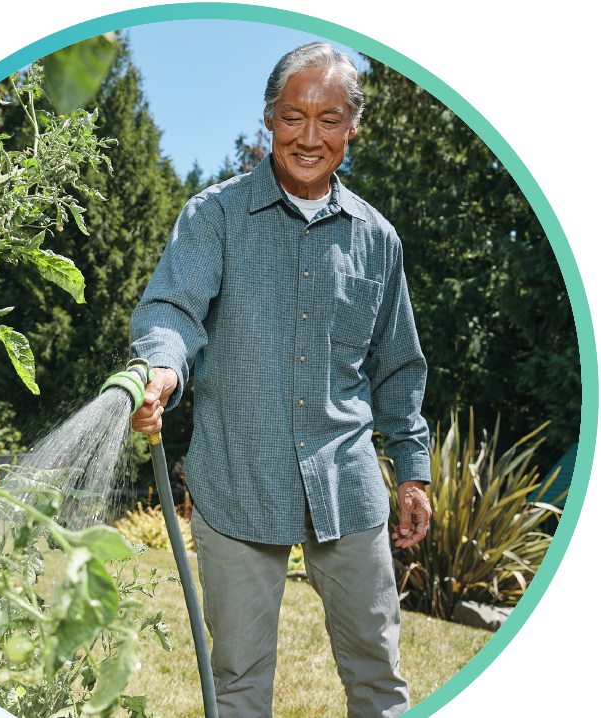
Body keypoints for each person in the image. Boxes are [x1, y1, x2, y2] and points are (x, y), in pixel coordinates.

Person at [129, 42, 432, 718]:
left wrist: (412, 471)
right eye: (294, 117)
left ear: (352, 129)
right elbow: (172, 309)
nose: (309, 137)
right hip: (236, 478)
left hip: (345, 483)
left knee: (379, 678)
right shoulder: (214, 217)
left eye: (329, 120)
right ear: (269, 119)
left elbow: (399, 367)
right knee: (237, 684)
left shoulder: (378, 240)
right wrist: (160, 369)